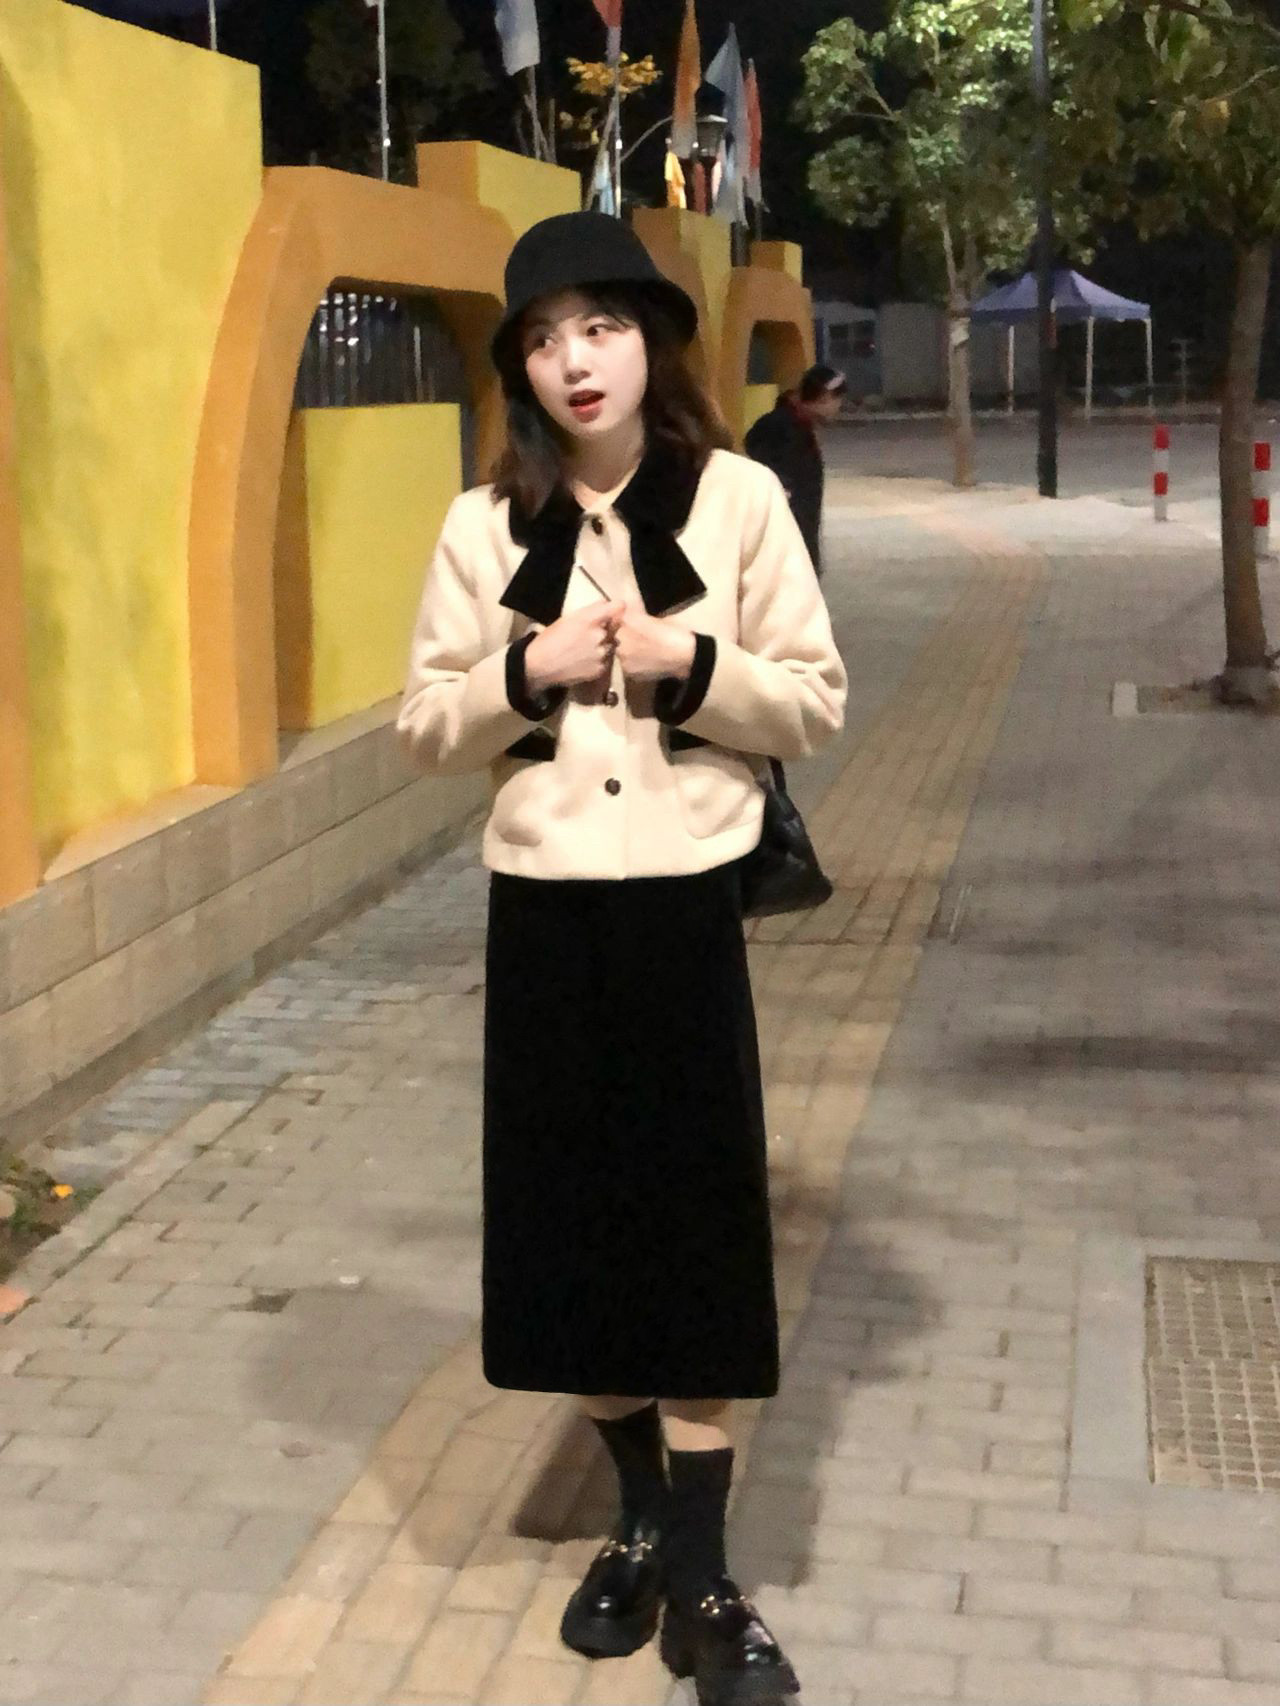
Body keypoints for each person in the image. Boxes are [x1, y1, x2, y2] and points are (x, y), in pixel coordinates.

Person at [397, 211, 846, 1706]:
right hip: (541, 912)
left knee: (696, 1233)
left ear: (653, 340)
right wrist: (516, 672)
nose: (573, 360)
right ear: (519, 368)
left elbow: (815, 700)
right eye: (542, 338)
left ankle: (705, 1580)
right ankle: (639, 1518)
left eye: (599, 326)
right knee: (573, 1232)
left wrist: (687, 663)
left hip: (681, 910)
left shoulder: (736, 500)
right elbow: (422, 727)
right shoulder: (483, 525)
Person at [743, 364, 848, 575]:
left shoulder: (799, 426)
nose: (839, 407)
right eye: (837, 400)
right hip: (785, 548)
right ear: (824, 397)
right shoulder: (780, 428)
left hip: (797, 543)